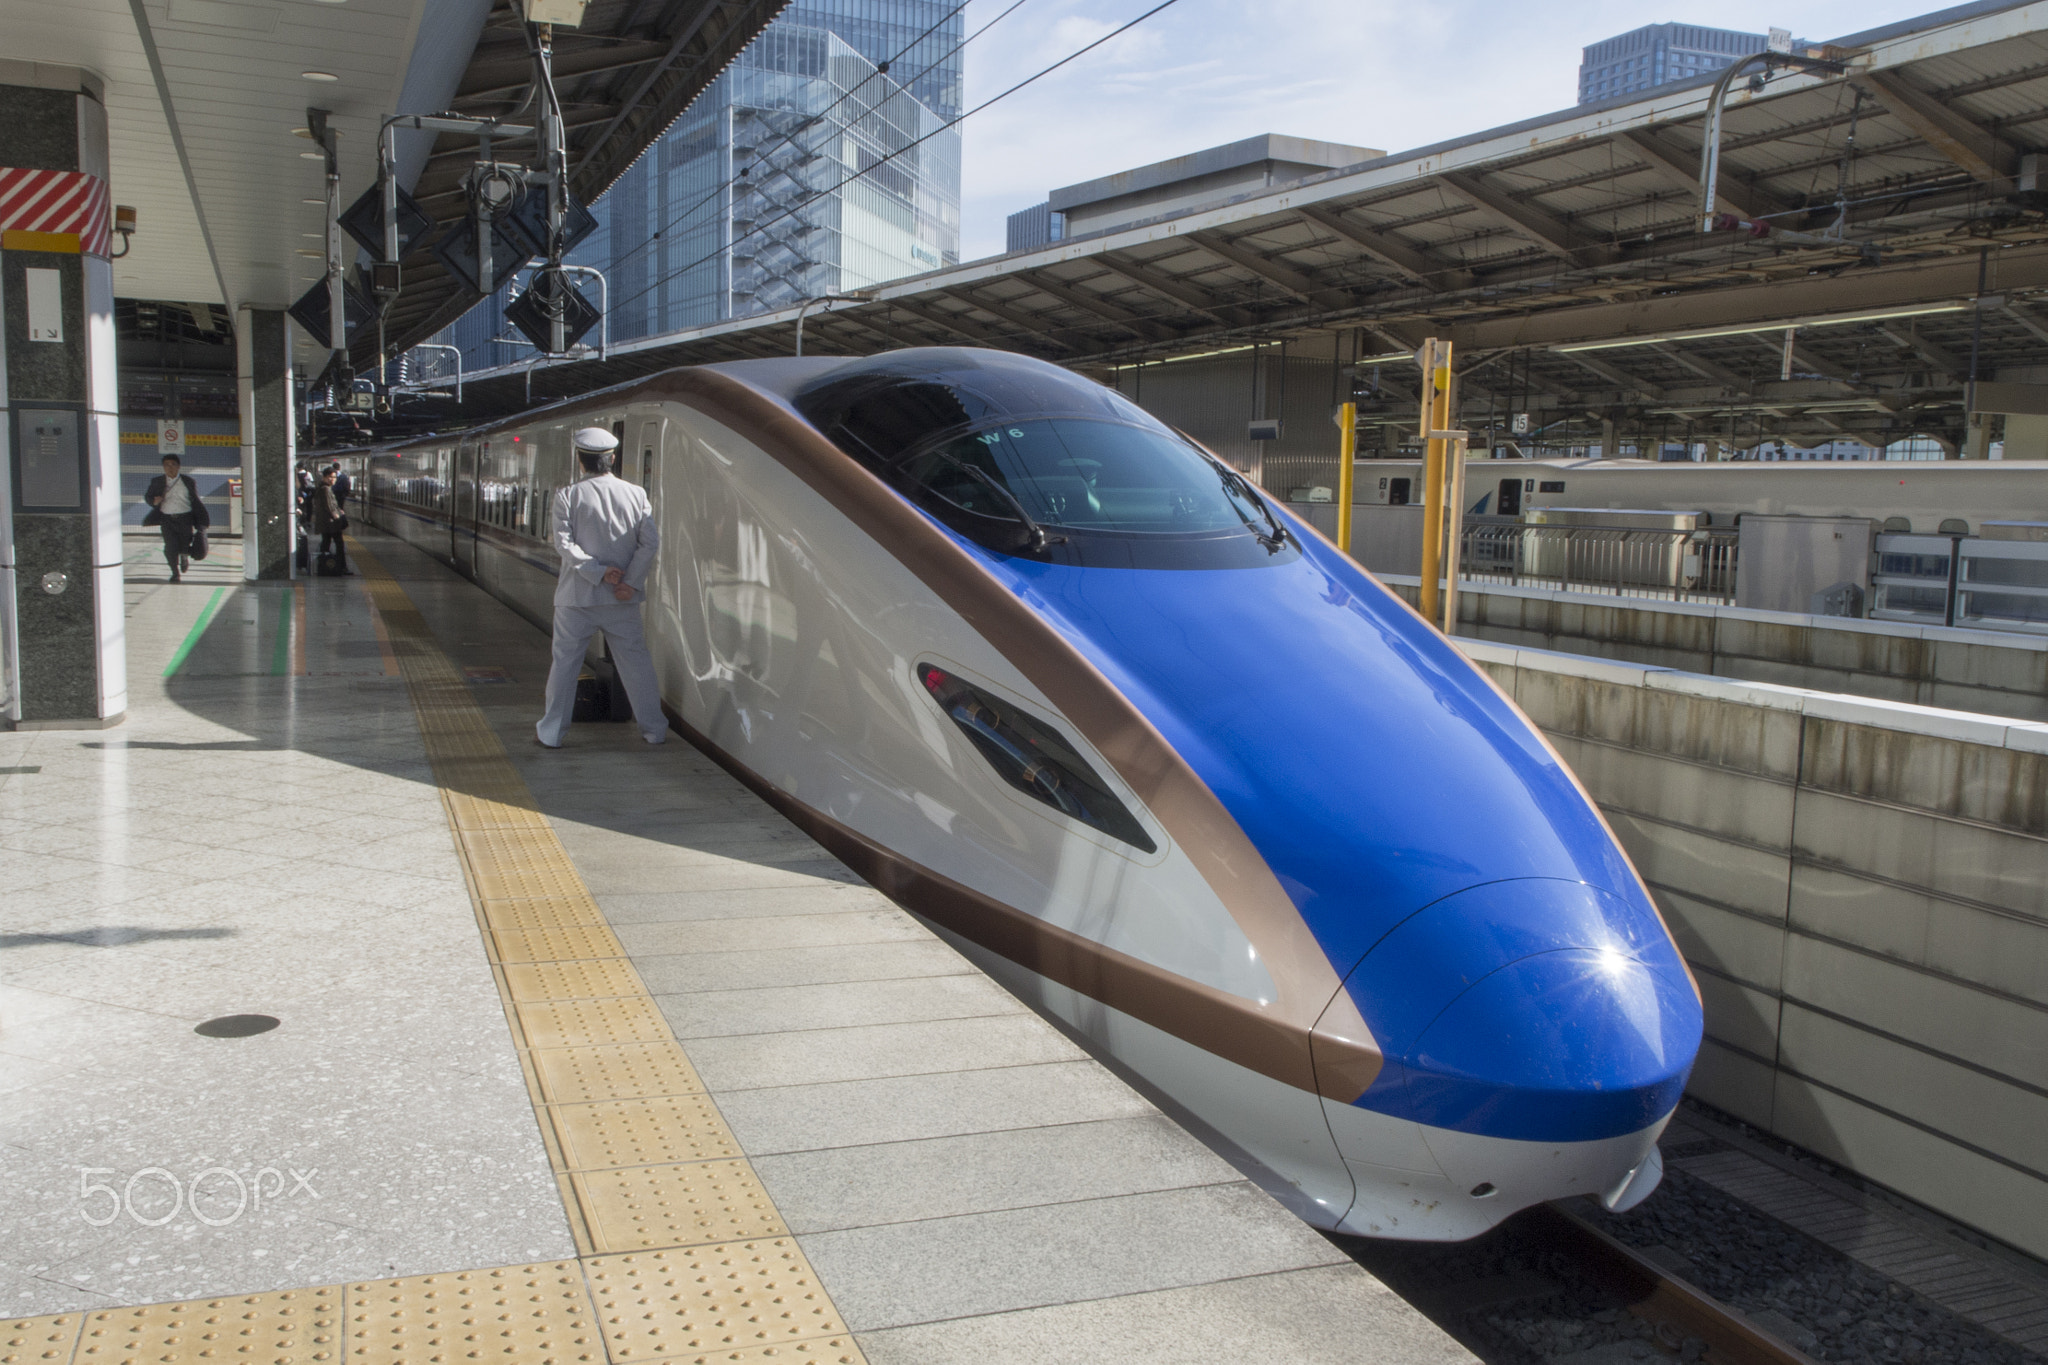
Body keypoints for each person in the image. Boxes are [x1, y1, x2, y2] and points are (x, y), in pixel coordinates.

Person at [536, 427, 665, 749]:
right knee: (637, 665)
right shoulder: (636, 494)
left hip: (577, 599)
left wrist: (598, 572)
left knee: (565, 665)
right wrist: (628, 583)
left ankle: (552, 733)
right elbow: (649, 544)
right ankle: (654, 731)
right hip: (621, 602)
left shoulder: (568, 496)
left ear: (580, 460)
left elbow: (564, 545)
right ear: (612, 458)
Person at [143, 455, 209, 583]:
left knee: (184, 545)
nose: (170, 467)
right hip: (167, 519)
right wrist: (153, 501)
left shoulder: (188, 481)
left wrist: (200, 520)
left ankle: (184, 556)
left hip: (185, 518)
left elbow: (195, 500)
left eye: (173, 464)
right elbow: (148, 496)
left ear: (178, 466)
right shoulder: (157, 481)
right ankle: (175, 572)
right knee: (170, 547)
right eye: (166, 465)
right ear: (163, 467)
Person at [307, 467, 350, 575]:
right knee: (339, 544)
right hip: (331, 524)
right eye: (330, 477)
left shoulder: (323, 488)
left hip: (326, 523)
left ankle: (323, 566)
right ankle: (341, 567)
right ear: (325, 477)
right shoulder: (325, 489)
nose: (333, 479)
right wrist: (338, 517)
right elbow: (330, 507)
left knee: (326, 544)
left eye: (334, 477)